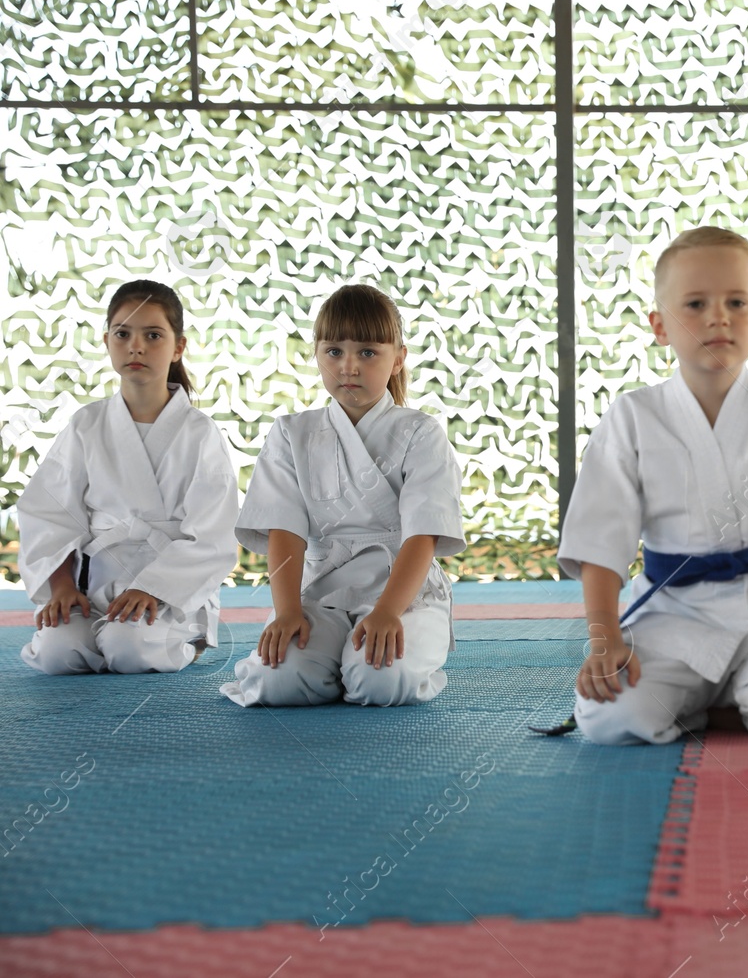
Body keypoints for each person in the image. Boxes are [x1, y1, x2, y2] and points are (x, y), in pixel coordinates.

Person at [548, 225, 748, 745]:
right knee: (609, 718)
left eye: (737, 302)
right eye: (696, 303)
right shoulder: (635, 415)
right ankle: (721, 706)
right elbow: (599, 537)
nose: (718, 316)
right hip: (671, 613)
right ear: (660, 326)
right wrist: (605, 640)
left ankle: (718, 703)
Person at [220, 284, 466, 707]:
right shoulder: (291, 432)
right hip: (321, 591)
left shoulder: (421, 433)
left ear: (398, 358)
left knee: (382, 680)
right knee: (280, 680)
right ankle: (332, 660)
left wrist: (388, 612)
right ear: (316, 354)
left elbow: (424, 533)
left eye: (367, 352)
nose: (348, 366)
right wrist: (287, 612)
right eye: (334, 351)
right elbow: (285, 528)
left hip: (402, 593)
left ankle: (367, 661)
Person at [19, 280, 239, 674]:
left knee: (130, 648)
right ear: (107, 341)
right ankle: (96, 627)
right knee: (57, 653)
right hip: (93, 587)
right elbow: (48, 513)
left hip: (170, 591)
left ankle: (184, 637)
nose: (136, 346)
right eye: (123, 334)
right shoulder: (87, 424)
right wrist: (63, 588)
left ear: (178, 347)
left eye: (153, 335)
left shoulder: (200, 433)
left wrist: (152, 587)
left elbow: (212, 535)